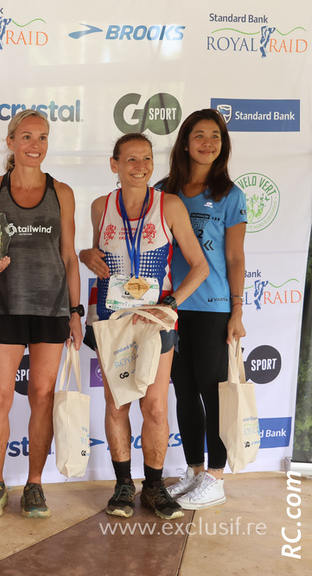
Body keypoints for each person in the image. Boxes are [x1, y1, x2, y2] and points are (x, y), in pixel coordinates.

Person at [79, 133, 208, 520]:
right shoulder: (101, 207)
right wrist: (86, 255)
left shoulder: (169, 205)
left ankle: (153, 485)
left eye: (147, 159)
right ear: (114, 164)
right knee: (117, 402)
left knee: (154, 407)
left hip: (154, 321)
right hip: (112, 319)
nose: (140, 166)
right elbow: (96, 254)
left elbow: (200, 266)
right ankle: (123, 485)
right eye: (131, 159)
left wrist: (171, 303)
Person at [0, 109, 82, 519]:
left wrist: (75, 312)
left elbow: (69, 256)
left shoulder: (62, 192)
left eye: (42, 137)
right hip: (6, 307)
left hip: (52, 309)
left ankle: (34, 484)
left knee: (42, 397)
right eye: (27, 137)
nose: (35, 145)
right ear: (11, 142)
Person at [157, 109, 246, 509]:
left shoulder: (230, 195)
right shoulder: (164, 190)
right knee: (184, 390)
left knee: (214, 392)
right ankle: (195, 472)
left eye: (215, 136)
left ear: (222, 145)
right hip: (171, 307)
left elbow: (235, 257)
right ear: (185, 142)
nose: (207, 143)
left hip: (212, 306)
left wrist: (237, 310)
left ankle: (216, 476)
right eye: (199, 135)